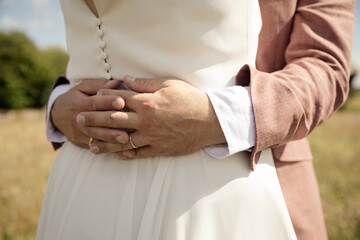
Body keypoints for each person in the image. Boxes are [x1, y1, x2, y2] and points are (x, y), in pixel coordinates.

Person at [36, 0, 355, 239]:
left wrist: (212, 119)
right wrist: (57, 107)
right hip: (82, 183)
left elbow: (326, 66)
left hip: (231, 178)